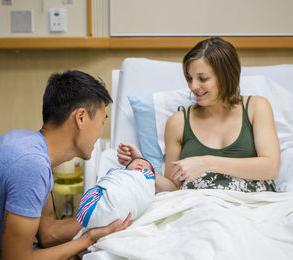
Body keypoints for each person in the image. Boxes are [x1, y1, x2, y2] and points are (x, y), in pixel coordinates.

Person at [0, 70, 132, 260]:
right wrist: (87, 240)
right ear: (80, 118)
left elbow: (49, 233)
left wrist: (107, 218)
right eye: (101, 122)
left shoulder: (31, 148)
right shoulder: (30, 164)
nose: (100, 133)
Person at [117, 37, 280, 193]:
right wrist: (143, 166)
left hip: (254, 206)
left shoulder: (257, 107)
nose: (194, 86)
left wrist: (206, 163)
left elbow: (271, 168)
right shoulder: (178, 122)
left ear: (226, 76)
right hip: (200, 207)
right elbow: (173, 187)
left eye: (203, 78)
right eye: (189, 78)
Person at [76, 158, 155, 229]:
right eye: (136, 162)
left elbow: (147, 192)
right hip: (113, 191)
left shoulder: (147, 178)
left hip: (126, 205)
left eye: (146, 165)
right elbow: (111, 178)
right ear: (126, 168)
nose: (140, 164)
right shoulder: (118, 173)